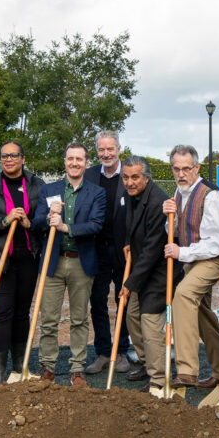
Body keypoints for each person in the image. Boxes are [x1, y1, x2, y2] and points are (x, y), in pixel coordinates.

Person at [32, 142, 105, 385]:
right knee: (49, 319)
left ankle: (77, 369)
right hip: (53, 262)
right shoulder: (49, 190)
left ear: (86, 162)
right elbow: (36, 224)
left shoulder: (96, 193)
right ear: (65, 161)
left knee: (79, 319)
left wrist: (66, 227)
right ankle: (48, 367)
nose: (74, 163)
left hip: (80, 264)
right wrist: (48, 216)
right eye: (70, 158)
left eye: (79, 159)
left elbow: (96, 224)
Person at [0, 142, 45, 383]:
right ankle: (0, 372)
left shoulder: (37, 186)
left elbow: (45, 221)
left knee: (22, 314)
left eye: (14, 155)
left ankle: (19, 366)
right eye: (4, 156)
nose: (9, 159)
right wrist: (4, 221)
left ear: (23, 158)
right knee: (2, 313)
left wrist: (29, 223)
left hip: (28, 260)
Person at [163, 144, 219, 390]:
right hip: (193, 259)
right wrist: (167, 217)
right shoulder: (179, 193)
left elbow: (215, 244)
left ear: (197, 168)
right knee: (200, 312)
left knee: (182, 296)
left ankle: (187, 370)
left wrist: (181, 252)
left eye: (186, 169)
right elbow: (176, 231)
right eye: (176, 169)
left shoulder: (211, 195)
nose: (181, 174)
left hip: (214, 259)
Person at [120, 156, 172, 392]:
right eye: (126, 177)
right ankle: (146, 362)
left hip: (160, 271)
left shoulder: (157, 202)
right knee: (131, 315)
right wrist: (129, 242)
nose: (129, 182)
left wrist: (130, 283)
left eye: (135, 177)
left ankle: (159, 378)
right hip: (142, 264)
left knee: (149, 321)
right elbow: (133, 227)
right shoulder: (132, 196)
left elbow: (152, 250)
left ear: (146, 177)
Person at [84, 131, 133, 374]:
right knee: (97, 301)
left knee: (122, 299)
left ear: (119, 149)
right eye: (101, 150)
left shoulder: (131, 172)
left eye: (110, 149)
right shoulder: (90, 175)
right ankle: (103, 352)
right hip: (97, 248)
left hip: (125, 249)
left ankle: (122, 351)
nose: (106, 154)